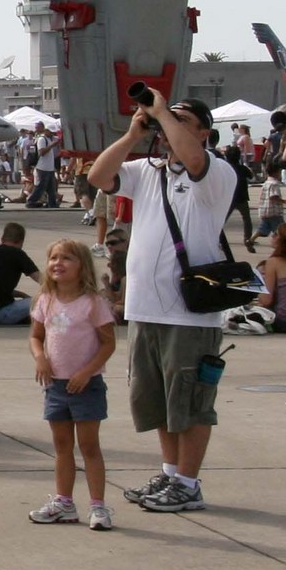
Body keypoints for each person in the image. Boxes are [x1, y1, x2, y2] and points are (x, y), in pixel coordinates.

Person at [85, 91, 237, 515]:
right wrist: (135, 132)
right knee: (158, 402)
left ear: (204, 133)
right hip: (145, 308)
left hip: (190, 312)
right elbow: (98, 177)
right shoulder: (148, 172)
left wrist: (164, 112)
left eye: (182, 120)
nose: (167, 124)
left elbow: (193, 160)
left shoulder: (217, 172)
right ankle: (171, 474)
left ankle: (188, 483)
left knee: (190, 402)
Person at [26, 237, 116, 529]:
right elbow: (35, 335)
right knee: (62, 445)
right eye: (54, 258)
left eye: (66, 258)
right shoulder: (45, 300)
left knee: (89, 446)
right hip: (55, 385)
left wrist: (87, 372)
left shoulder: (93, 303)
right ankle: (64, 502)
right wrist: (40, 358)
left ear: (82, 266)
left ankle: (98, 506)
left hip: (85, 386)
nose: (58, 263)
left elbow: (108, 344)